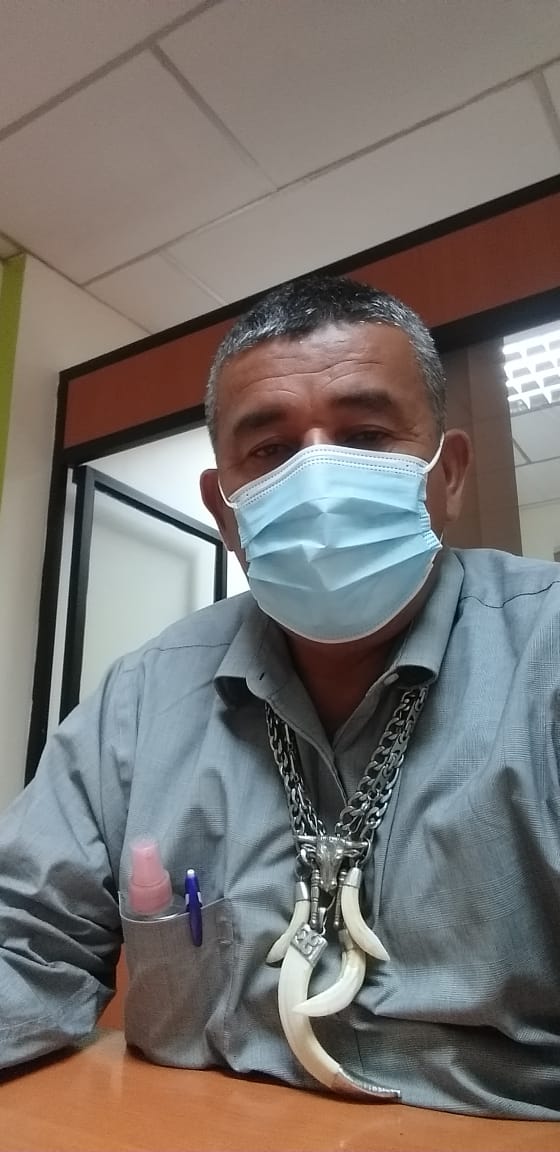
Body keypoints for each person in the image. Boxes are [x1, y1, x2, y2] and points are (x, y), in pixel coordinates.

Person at [0, 273, 559, 1119]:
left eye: (366, 435)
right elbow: (22, 942)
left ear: (447, 476)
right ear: (225, 512)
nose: (319, 481)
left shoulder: (544, 658)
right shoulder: (140, 698)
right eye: (269, 450)